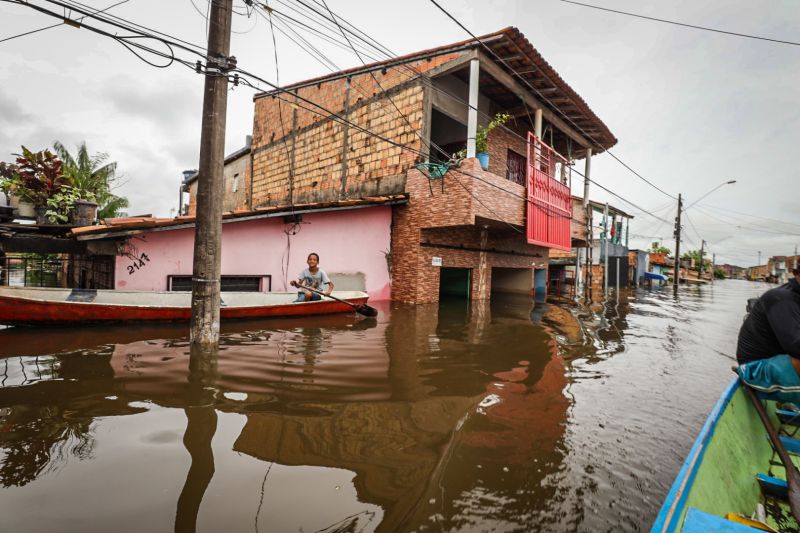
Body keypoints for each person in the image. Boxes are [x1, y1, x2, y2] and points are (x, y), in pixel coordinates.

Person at [736, 266, 800, 403]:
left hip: (780, 362)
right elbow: (796, 347)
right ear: (797, 274)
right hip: (756, 371)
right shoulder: (781, 298)